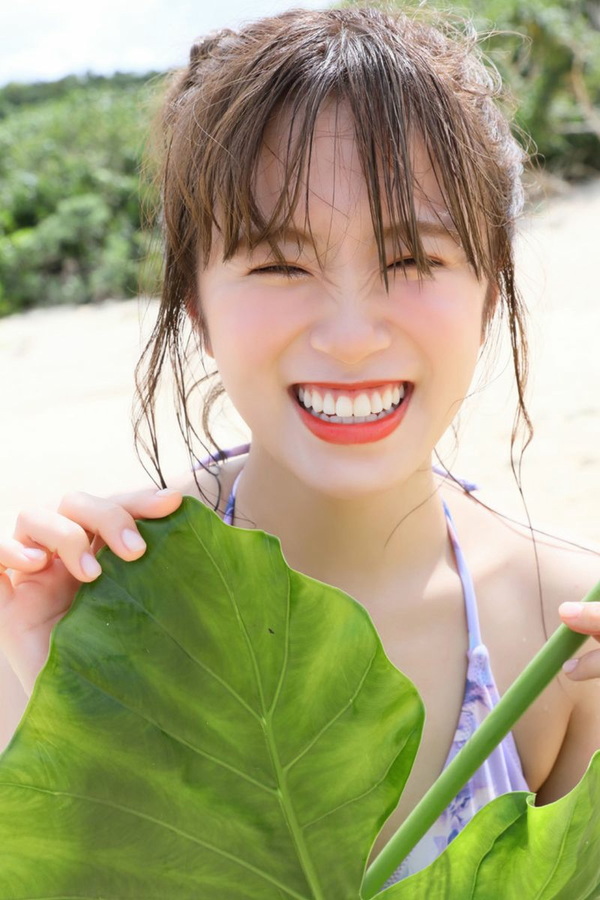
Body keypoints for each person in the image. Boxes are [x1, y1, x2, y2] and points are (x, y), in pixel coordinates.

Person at [0, 5, 598, 885]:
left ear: (490, 290)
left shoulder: (566, 632)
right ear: (195, 302)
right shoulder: (71, 608)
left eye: (413, 259)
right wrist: (48, 696)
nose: (350, 338)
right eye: (280, 265)